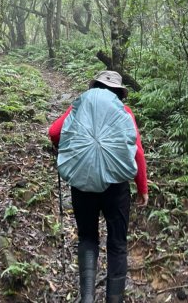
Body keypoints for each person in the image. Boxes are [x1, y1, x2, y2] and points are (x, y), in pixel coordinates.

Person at [48, 70, 148, 303]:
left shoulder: (79, 107)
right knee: (117, 244)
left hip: (82, 185)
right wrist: (142, 187)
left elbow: (54, 133)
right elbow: (138, 152)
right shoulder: (124, 112)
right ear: (119, 93)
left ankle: (87, 297)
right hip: (116, 188)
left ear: (95, 87)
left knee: (88, 238)